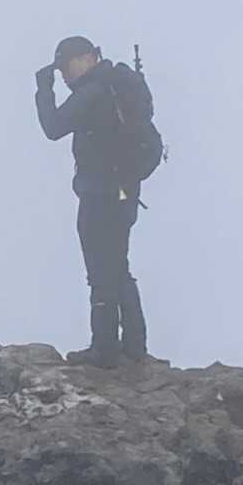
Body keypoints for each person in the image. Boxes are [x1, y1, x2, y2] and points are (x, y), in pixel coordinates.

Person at [34, 35, 148, 368]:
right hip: (125, 190)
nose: (64, 75)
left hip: (100, 193)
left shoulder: (94, 92)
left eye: (66, 67)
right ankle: (134, 346)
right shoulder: (115, 87)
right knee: (118, 266)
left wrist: (43, 90)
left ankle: (105, 349)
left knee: (101, 271)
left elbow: (54, 127)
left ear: (87, 58)